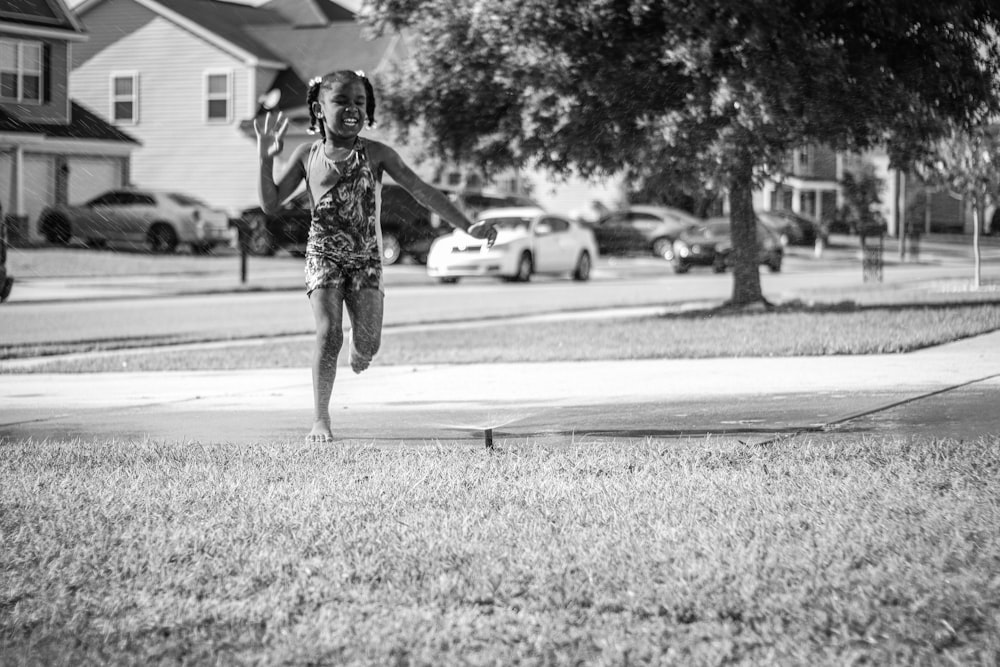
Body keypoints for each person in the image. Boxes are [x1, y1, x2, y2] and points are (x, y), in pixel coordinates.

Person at [254, 70, 496, 443]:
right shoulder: (308, 155)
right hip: (323, 254)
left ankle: (360, 344)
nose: (352, 109)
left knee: (368, 346)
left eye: (359, 102)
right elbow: (270, 205)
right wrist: (265, 156)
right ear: (318, 109)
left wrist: (467, 226)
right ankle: (321, 419)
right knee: (328, 332)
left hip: (367, 259)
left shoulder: (378, 153)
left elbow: (423, 191)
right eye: (342, 102)